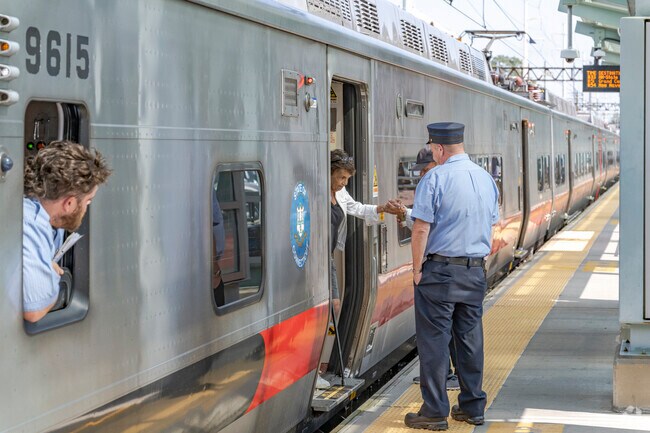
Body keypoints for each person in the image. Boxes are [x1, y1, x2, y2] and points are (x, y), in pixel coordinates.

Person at [404, 123, 499, 430]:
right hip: (474, 272)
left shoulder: (435, 177)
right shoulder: (485, 178)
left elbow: (421, 228)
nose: (432, 153)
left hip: (440, 272)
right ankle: (472, 407)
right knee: (470, 341)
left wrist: (417, 270)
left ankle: (434, 411)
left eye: (432, 149)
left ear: (440, 148)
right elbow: (492, 223)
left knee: (434, 342)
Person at [318, 149, 400, 389]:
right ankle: (310, 375)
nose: (343, 183)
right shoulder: (315, 191)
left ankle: (319, 366)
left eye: (346, 179)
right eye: (341, 177)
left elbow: (357, 209)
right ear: (329, 172)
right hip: (314, 261)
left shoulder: (339, 193)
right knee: (320, 311)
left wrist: (382, 208)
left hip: (328, 259)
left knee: (333, 306)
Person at [23, 141, 112, 323]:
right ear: (69, 203)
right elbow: (34, 310)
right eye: (88, 200)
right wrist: (52, 275)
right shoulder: (30, 223)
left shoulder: (39, 214)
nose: (88, 206)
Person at [396, 146, 459, 392]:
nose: (423, 174)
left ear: (439, 162)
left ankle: (444, 380)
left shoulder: (438, 182)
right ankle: (451, 377)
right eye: (420, 170)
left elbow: (426, 227)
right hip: (459, 269)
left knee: (440, 328)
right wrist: (406, 214)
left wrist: (416, 270)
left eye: (426, 168)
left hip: (440, 268)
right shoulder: (446, 182)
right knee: (453, 328)